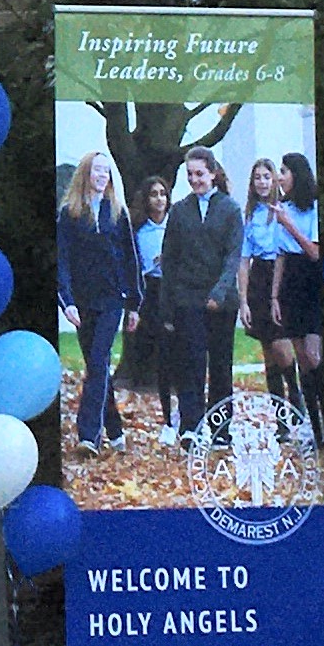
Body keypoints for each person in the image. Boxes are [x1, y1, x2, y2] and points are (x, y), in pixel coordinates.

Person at [55, 149, 141, 455]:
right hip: (82, 300)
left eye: (106, 171)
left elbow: (131, 258)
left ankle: (88, 435)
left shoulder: (117, 212)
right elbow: (62, 260)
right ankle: (115, 431)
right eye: (97, 170)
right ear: (86, 174)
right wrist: (66, 301)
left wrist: (134, 303)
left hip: (112, 300)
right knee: (97, 366)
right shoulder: (70, 214)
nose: (102, 176)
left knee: (98, 360)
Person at [156, 147, 241, 443]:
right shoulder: (179, 211)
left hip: (223, 301)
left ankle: (220, 429)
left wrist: (220, 291)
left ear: (213, 173)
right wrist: (167, 307)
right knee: (190, 363)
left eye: (200, 174)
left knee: (220, 366)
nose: (195, 180)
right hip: (187, 297)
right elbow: (170, 259)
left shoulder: (230, 209)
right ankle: (190, 427)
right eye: (190, 174)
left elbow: (233, 256)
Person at [239, 156, 321, 446]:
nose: (263, 182)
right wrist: (245, 299)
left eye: (268, 176)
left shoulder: (286, 209)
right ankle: (282, 419)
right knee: (269, 352)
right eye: (257, 177)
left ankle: (298, 399)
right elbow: (245, 258)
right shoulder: (251, 214)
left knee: (287, 349)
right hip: (264, 279)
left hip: (289, 275)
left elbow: (301, 251)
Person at [131, 175, 172, 435]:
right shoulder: (139, 231)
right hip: (150, 291)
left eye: (162, 194)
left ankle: (179, 415)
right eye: (154, 194)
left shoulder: (175, 226)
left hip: (172, 291)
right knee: (157, 352)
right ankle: (166, 416)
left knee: (175, 352)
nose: (159, 199)